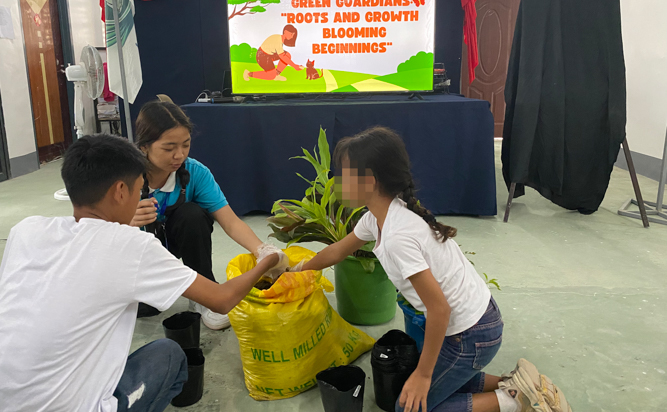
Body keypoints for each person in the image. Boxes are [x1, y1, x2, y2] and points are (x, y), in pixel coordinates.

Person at [0, 134, 284, 412]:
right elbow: (221, 300)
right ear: (120, 191)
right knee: (169, 355)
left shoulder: (26, 230)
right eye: (139, 190)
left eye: (185, 145)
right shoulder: (130, 245)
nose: (179, 154)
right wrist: (267, 262)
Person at [302, 127, 571, 412]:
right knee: (431, 382)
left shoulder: (398, 237)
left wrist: (423, 375)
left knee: (409, 408)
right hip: (477, 321)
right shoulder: (379, 217)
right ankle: (517, 383)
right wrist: (297, 268)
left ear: (368, 182)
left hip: (471, 335)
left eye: (343, 176)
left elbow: (439, 310)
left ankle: (514, 402)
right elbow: (337, 250)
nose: (336, 183)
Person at [131, 97, 285, 329]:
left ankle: (203, 296)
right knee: (147, 308)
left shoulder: (195, 173)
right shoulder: (122, 177)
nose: (179, 155)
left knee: (192, 214)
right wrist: (125, 221)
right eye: (169, 148)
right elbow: (89, 230)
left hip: (171, 245)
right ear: (144, 146)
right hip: (137, 258)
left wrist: (263, 250)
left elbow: (230, 221)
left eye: (185, 144)